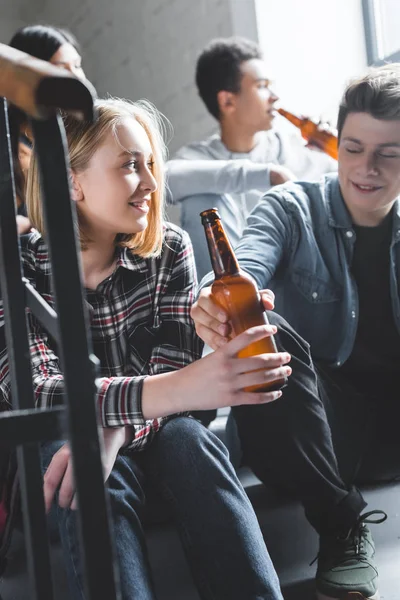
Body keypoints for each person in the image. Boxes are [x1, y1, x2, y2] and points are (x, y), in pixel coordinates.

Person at [0, 97, 291, 600]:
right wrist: (140, 409)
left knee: (189, 440)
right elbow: (41, 393)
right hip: (58, 476)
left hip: (161, 455)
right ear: (72, 181)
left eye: (151, 165)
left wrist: (116, 425)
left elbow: (178, 392)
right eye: (131, 166)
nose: (154, 185)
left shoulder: (170, 251)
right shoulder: (17, 269)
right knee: (81, 457)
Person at [191, 63, 400, 600]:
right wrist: (215, 304)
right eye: (353, 148)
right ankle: (340, 523)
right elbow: (244, 271)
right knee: (264, 327)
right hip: (318, 432)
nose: (366, 168)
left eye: (389, 153)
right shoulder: (292, 208)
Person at [166, 36, 337, 280]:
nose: (274, 96)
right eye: (262, 86)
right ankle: (227, 298)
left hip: (299, 289)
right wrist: (266, 174)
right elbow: (165, 180)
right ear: (227, 101)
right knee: (201, 199)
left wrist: (352, 143)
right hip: (235, 293)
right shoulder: (200, 157)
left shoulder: (299, 150)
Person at [7, 24, 85, 234]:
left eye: (77, 66)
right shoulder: (10, 146)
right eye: (60, 68)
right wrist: (27, 225)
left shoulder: (83, 134)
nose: (77, 78)